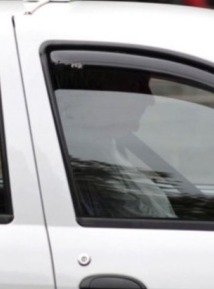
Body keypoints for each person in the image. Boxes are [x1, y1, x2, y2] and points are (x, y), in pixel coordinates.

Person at [52, 64, 178, 219]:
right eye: (137, 84)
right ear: (98, 94)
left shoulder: (102, 148)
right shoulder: (83, 160)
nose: (150, 99)